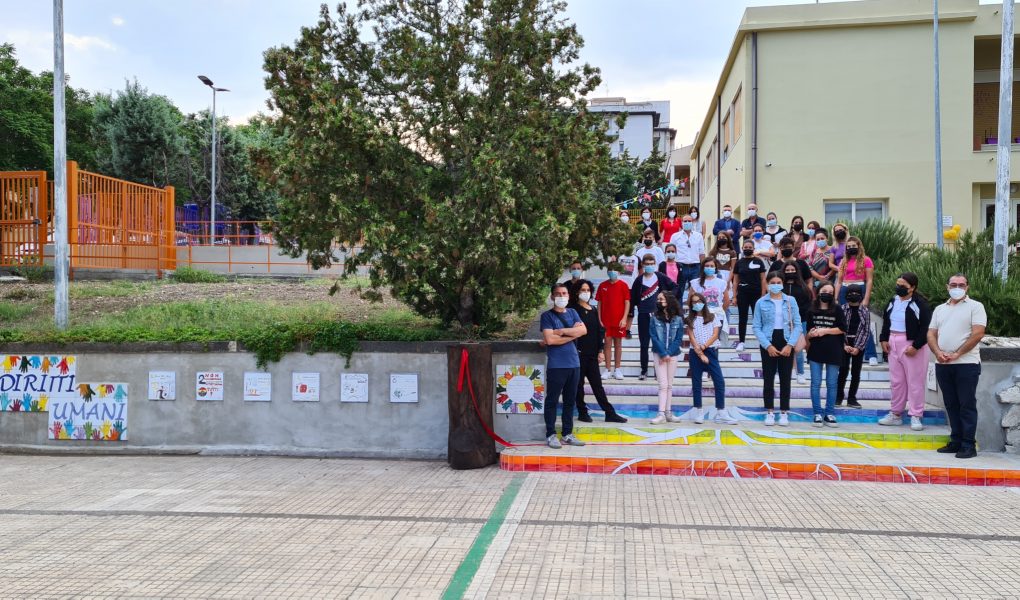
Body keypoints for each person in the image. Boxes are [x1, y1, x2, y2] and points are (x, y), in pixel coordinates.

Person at [927, 273, 987, 459]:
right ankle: (956, 441)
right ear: (947, 286)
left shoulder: (975, 307)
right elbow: (931, 334)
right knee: (951, 404)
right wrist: (938, 353)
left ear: (967, 287)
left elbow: (978, 334)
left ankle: (969, 445)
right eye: (954, 284)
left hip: (966, 363)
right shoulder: (939, 309)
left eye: (961, 285)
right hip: (943, 363)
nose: (957, 287)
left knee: (966, 404)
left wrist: (958, 353)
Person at [878, 272, 933, 431]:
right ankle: (895, 414)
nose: (899, 288)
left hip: (911, 344)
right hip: (893, 342)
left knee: (915, 381)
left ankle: (916, 415)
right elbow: (886, 321)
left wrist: (916, 346)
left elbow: (926, 327)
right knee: (897, 382)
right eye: (898, 284)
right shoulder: (892, 301)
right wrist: (883, 339)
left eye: (903, 286)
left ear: (912, 288)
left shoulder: (919, 304)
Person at [569, 281, 628, 424]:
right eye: (583, 289)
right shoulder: (572, 310)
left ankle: (609, 413)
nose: (586, 292)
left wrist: (600, 351)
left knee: (597, 385)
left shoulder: (593, 309)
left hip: (592, 354)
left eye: (588, 289)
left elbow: (598, 331)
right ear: (577, 292)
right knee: (579, 385)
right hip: (578, 353)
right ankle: (582, 412)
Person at [540, 283, 588, 449]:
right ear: (552, 297)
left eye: (564, 293)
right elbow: (550, 340)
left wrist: (561, 331)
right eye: (558, 294)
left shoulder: (573, 312)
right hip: (556, 365)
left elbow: (583, 331)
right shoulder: (547, 316)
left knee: (570, 401)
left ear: (569, 296)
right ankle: (551, 434)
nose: (561, 296)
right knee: (552, 401)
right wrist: (571, 335)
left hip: (574, 364)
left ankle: (567, 433)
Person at [752, 273, 802, 426]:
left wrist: (790, 345)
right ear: (767, 284)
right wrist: (767, 345)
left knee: (785, 378)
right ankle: (770, 412)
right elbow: (756, 326)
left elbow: (798, 324)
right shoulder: (761, 302)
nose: (775, 285)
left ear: (783, 283)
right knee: (768, 378)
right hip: (769, 341)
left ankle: (784, 412)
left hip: (786, 340)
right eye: (772, 282)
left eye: (778, 282)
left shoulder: (790, 300)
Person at [686, 291, 738, 425]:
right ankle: (699, 410)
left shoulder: (713, 317)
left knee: (719, 381)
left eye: (699, 301)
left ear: (703, 302)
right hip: (695, 352)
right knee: (696, 382)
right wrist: (700, 353)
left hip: (710, 351)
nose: (697, 304)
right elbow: (691, 337)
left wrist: (703, 348)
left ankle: (721, 411)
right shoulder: (690, 319)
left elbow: (715, 335)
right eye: (694, 302)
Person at [628, 254, 677, 380]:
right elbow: (632, 299)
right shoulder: (639, 280)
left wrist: (666, 298)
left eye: (651, 264)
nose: (649, 266)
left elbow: (675, 287)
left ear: (654, 264)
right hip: (643, 315)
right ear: (643, 265)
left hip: (659, 316)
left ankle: (658, 371)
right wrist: (630, 314)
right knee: (644, 344)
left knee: (659, 343)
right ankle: (644, 370)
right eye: (647, 264)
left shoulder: (660, 277)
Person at [805, 283, 846, 427]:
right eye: (824, 291)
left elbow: (842, 328)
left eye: (830, 291)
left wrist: (825, 331)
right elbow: (809, 330)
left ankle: (829, 413)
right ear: (818, 291)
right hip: (816, 351)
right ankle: (817, 413)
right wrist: (810, 334)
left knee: (831, 383)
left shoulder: (838, 309)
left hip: (834, 351)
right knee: (815, 383)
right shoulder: (811, 309)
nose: (827, 293)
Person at [834, 236, 879, 365]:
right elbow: (839, 281)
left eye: (853, 245)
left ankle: (870, 355)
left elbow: (870, 280)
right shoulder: (843, 261)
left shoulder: (866, 260)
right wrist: (835, 298)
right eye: (848, 246)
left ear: (859, 246)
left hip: (860, 288)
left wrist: (866, 298)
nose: (851, 248)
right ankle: (842, 351)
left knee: (863, 321)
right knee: (843, 322)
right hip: (844, 290)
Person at [649, 291, 684, 424]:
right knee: (662, 385)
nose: (659, 301)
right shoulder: (654, 317)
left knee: (669, 385)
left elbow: (679, 338)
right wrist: (663, 353)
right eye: (658, 299)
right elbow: (654, 336)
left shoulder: (678, 319)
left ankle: (668, 413)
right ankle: (661, 414)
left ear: (669, 300)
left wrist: (669, 352)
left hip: (673, 354)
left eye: (661, 299)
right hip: (659, 354)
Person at [779, 260, 812, 386]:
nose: (790, 272)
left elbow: (807, 305)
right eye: (787, 270)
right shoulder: (780, 287)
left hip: (800, 321)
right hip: (782, 322)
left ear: (797, 271)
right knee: (782, 346)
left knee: (798, 348)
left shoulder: (803, 287)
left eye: (792, 270)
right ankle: (780, 372)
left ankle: (800, 373)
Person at [731, 239, 767, 352]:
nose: (747, 249)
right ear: (742, 248)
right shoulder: (739, 262)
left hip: (757, 293)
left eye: (749, 247)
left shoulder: (759, 261)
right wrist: (734, 296)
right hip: (743, 293)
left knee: (759, 318)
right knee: (743, 318)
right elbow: (735, 281)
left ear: (753, 248)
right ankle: (741, 342)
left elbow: (763, 279)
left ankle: (763, 341)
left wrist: (763, 295)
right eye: (745, 247)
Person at [836, 285, 868, 409]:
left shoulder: (865, 311)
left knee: (856, 372)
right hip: (843, 343)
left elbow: (866, 331)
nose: (853, 294)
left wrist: (858, 347)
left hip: (858, 344)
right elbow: (838, 328)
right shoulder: (841, 309)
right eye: (851, 292)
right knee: (842, 371)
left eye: (856, 292)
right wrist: (844, 345)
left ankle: (852, 398)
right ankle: (838, 397)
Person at [688, 256, 730, 343]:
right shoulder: (695, 282)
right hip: (700, 317)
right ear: (702, 267)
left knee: (714, 343)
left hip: (717, 317)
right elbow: (690, 300)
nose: (709, 268)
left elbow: (726, 301)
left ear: (715, 268)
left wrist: (719, 311)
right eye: (707, 266)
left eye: (712, 266)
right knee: (700, 341)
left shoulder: (721, 283)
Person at [668, 214, 706, 296]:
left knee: (696, 292)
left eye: (689, 221)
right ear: (681, 223)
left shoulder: (698, 236)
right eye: (685, 221)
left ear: (692, 223)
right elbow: (670, 251)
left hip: (695, 267)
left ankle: (694, 309)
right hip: (681, 267)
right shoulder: (675, 236)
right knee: (679, 291)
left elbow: (702, 253)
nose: (687, 223)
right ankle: (679, 309)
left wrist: (703, 268)